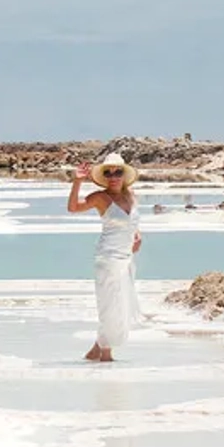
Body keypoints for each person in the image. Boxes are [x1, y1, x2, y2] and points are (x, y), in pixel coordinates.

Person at [66, 152, 142, 362]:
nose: (113, 176)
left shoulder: (131, 195)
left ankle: (95, 351)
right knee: (109, 305)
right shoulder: (100, 197)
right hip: (107, 258)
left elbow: (132, 221)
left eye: (118, 172)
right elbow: (73, 208)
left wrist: (137, 235)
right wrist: (77, 182)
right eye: (108, 173)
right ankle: (106, 354)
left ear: (124, 174)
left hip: (126, 258)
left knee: (121, 305)